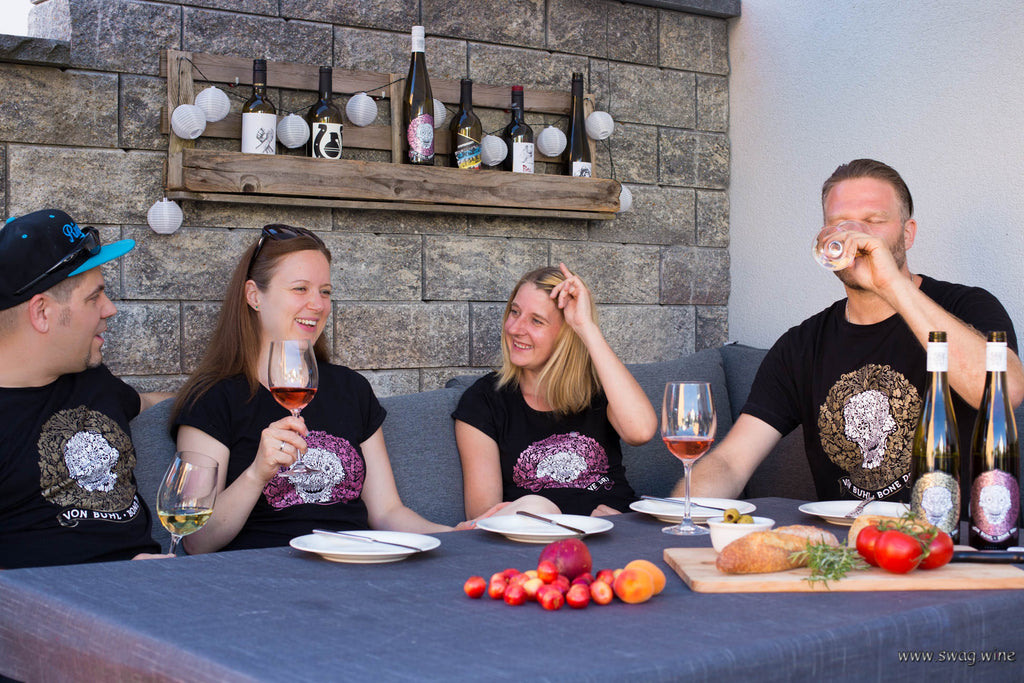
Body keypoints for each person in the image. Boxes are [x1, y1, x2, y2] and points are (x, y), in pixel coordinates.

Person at [682, 159, 1024, 504]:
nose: (855, 236)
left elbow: (1005, 391)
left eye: (874, 221)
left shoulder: (968, 307)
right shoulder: (801, 346)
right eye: (839, 224)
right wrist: (673, 517)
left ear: (908, 233)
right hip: (845, 549)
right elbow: (730, 462)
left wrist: (891, 285)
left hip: (953, 545)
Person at [171, 224, 497, 553]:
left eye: (325, 291)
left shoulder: (350, 389)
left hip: (356, 565)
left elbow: (386, 512)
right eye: (300, 289)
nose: (318, 304)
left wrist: (454, 535)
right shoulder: (211, 399)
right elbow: (197, 541)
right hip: (266, 576)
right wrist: (257, 473)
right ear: (254, 296)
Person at [0, 209, 172, 569]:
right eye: (94, 298)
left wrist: (227, 396)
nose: (110, 310)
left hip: (152, 589)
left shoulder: (92, 379)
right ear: (42, 313)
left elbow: (150, 403)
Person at [453, 264, 658, 518]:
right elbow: (483, 517)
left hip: (616, 534)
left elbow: (641, 431)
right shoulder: (484, 400)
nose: (515, 328)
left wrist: (586, 327)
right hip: (538, 541)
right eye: (514, 312)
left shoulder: (601, 387)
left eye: (536, 321)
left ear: (566, 334)